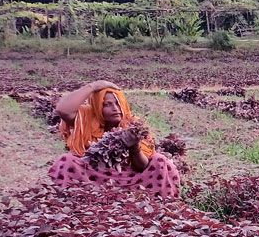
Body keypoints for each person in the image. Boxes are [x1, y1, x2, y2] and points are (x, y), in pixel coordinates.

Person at [47, 80, 181, 198]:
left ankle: (159, 203)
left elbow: (142, 166)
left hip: (131, 178)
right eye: (107, 105)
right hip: (92, 176)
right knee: (66, 160)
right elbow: (63, 110)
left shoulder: (134, 125)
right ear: (98, 107)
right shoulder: (86, 118)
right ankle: (74, 200)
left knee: (160, 161)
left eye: (118, 103)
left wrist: (134, 147)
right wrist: (93, 86)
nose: (115, 109)